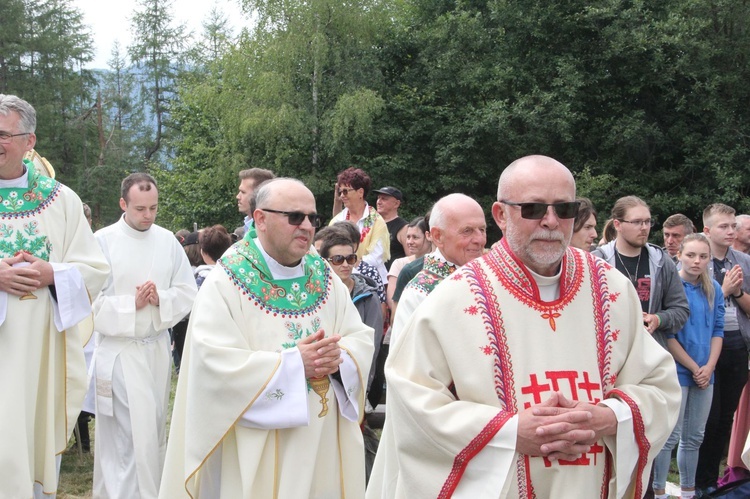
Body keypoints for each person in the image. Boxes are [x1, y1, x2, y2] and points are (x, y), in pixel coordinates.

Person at [366, 155, 681, 499]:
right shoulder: (454, 298)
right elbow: (412, 401)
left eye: (564, 209)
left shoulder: (612, 289)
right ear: (500, 215)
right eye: (532, 208)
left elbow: (659, 386)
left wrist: (610, 417)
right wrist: (509, 432)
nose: (550, 221)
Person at [160, 178, 375, 498]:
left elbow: (359, 335)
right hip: (258, 446)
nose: (306, 226)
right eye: (294, 217)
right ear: (260, 219)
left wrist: (340, 357)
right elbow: (213, 364)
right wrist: (292, 365)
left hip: (322, 439)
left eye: (312, 219)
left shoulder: (322, 272)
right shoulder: (228, 279)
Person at [0, 94, 109, 498]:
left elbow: (96, 270)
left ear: (29, 141)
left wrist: (52, 273)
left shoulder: (60, 200)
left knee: (26, 438)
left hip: (40, 352)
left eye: (4, 135)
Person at [92, 173, 198, 498]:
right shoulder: (102, 241)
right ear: (123, 203)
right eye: (140, 208)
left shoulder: (167, 241)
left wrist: (160, 299)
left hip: (155, 351)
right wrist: (130, 305)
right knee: (127, 438)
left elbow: (188, 291)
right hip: (121, 352)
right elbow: (88, 302)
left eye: (153, 207)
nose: (148, 216)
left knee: (152, 432)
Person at [652, 234, 724, 499]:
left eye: (703, 256)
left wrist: (709, 367)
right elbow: (668, 335)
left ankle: (688, 491)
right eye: (691, 255)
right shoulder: (671, 286)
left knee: (694, 437)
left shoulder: (713, 288)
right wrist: (695, 367)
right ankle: (658, 490)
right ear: (679, 255)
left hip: (706, 372)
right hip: (678, 369)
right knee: (670, 437)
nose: (697, 261)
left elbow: (718, 330)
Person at [695, 203, 750, 495]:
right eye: (723, 227)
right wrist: (722, 290)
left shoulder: (742, 260)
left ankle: (713, 480)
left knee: (726, 416)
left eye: (733, 226)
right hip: (706, 345)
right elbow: (692, 307)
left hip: (737, 342)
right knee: (708, 417)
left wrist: (737, 292)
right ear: (707, 230)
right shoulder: (696, 259)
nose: (731, 231)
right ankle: (699, 481)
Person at [592, 196, 689, 349]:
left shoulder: (662, 262)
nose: (644, 227)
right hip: (610, 353)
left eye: (647, 221)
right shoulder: (598, 261)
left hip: (651, 352)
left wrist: (658, 319)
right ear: (617, 224)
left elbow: (681, 310)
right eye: (637, 222)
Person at [389, 193, 487, 345]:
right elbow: (406, 365)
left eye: (482, 229)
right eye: (467, 231)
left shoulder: (490, 279)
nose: (479, 239)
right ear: (437, 236)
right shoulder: (418, 294)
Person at [331, 167, 390, 283]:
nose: (342, 196)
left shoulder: (377, 221)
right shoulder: (337, 221)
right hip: (341, 280)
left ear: (360, 192)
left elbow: (376, 257)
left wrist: (350, 263)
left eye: (346, 191)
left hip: (372, 281)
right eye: (340, 191)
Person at [386, 216, 432, 315]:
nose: (410, 242)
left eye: (415, 237)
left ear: (428, 237)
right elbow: (392, 299)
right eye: (408, 237)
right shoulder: (400, 264)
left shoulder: (438, 264)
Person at [373, 186, 408, 270]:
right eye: (378, 198)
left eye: (384, 199)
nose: (379, 202)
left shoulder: (403, 228)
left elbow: (411, 258)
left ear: (396, 204)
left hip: (392, 279)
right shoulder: (372, 224)